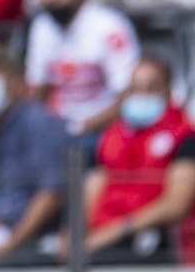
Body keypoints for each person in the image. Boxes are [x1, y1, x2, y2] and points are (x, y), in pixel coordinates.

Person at [0, 47, 68, 267]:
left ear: (17, 83)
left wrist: (10, 245)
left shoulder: (40, 122)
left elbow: (51, 195)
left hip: (36, 236)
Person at [83, 57, 195, 260]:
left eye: (151, 88)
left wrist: (119, 231)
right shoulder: (112, 135)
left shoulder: (185, 136)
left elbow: (177, 204)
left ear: (168, 92)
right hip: (102, 237)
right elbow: (95, 184)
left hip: (155, 240)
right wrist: (77, 233)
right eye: (135, 89)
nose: (142, 96)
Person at [26, 0, 140, 139]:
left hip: (105, 127)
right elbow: (37, 90)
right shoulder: (42, 26)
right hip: (59, 128)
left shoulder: (109, 25)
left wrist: (82, 127)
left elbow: (129, 95)